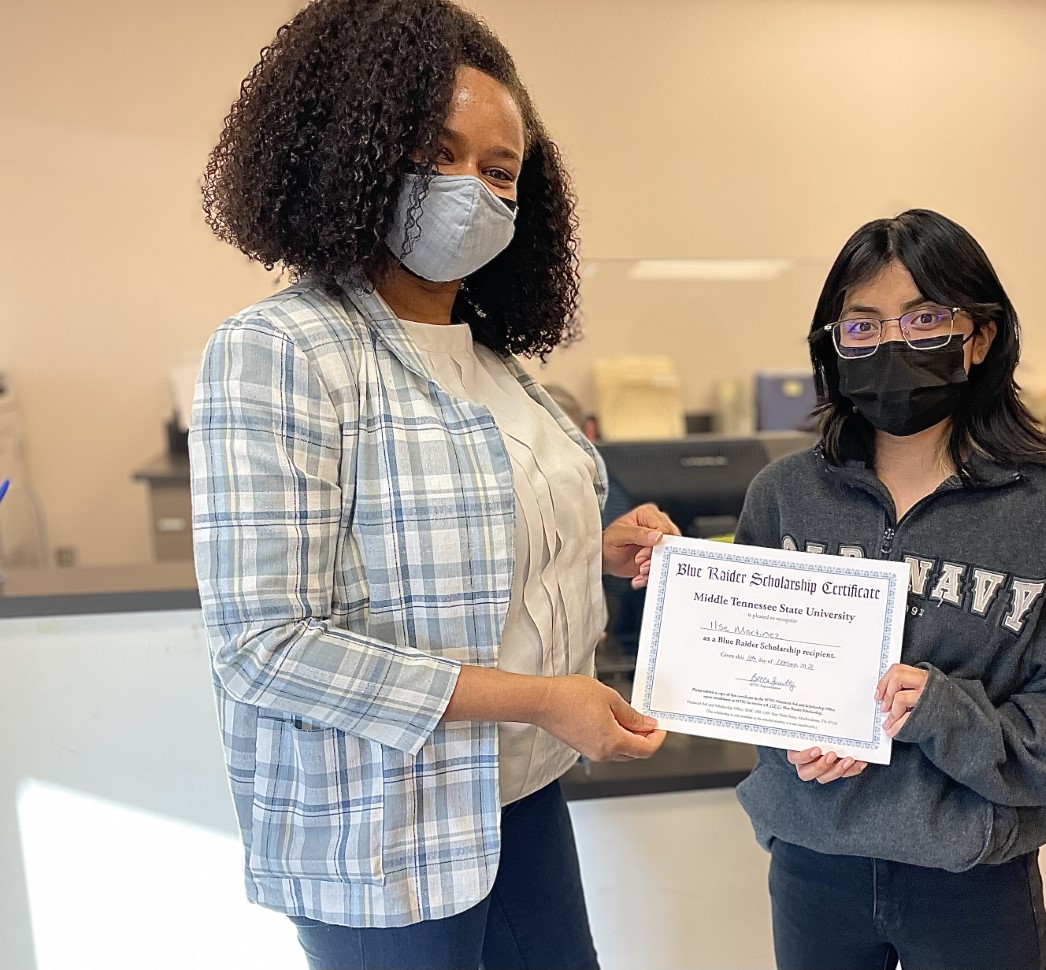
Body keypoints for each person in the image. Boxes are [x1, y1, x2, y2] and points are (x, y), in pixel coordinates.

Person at [190, 2, 676, 967]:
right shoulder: (278, 350)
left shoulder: (494, 365)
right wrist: (538, 697)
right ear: (353, 151)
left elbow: (459, 548)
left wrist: (593, 545)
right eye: (435, 153)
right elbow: (266, 645)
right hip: (380, 833)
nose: (473, 190)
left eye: (500, 171)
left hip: (521, 799)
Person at [733, 209, 1046, 970]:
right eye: (861, 327)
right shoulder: (785, 497)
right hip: (812, 862)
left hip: (972, 876)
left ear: (982, 335)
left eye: (925, 319)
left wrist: (944, 714)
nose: (892, 345)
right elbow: (750, 666)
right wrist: (791, 723)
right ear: (832, 347)